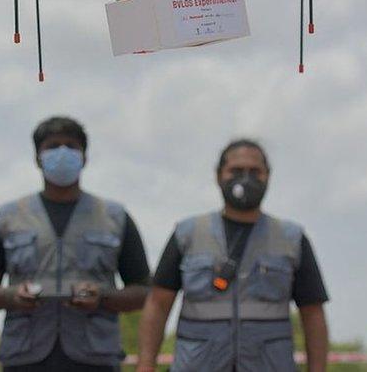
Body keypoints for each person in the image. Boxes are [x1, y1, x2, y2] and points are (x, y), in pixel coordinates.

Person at [0, 116, 151, 371]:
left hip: (94, 358)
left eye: (71, 146)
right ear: (37, 158)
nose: (62, 153)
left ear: (84, 158)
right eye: (52, 146)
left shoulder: (114, 217)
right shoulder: (8, 216)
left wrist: (101, 297)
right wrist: (12, 296)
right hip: (25, 356)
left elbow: (143, 292)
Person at [137, 139, 329, 372]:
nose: (245, 178)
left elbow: (313, 314)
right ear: (219, 176)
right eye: (236, 171)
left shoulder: (291, 239)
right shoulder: (188, 234)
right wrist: (145, 366)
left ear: (267, 176)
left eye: (254, 171)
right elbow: (158, 304)